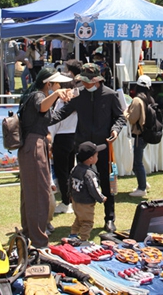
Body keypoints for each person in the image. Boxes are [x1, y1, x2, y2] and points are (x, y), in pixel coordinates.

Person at [49, 63, 126, 233]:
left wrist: (115, 130)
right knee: (81, 184)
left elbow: (120, 117)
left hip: (103, 145)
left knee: (106, 182)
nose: (84, 84)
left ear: (97, 80)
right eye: (83, 80)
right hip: (83, 146)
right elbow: (63, 113)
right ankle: (81, 218)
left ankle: (109, 218)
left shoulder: (110, 95)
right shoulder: (78, 94)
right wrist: (43, 118)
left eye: (87, 81)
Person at [18, 68, 72, 248]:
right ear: (48, 84)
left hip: (32, 145)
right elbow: (42, 106)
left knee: (30, 193)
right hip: (34, 146)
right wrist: (56, 95)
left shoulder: (35, 96)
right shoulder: (38, 96)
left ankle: (29, 234)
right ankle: (39, 240)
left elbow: (51, 117)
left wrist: (70, 104)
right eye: (57, 84)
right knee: (39, 193)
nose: (60, 87)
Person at [49, 72, 78, 214]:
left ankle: (66, 202)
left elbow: (54, 124)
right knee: (70, 170)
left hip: (61, 138)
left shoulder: (61, 101)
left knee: (62, 172)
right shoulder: (75, 100)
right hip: (73, 137)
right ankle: (70, 199)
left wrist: (50, 140)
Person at [69, 141, 108, 241]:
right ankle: (83, 240)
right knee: (87, 222)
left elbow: (70, 183)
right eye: (96, 155)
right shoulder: (89, 174)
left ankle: (73, 235)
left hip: (76, 201)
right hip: (86, 203)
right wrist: (101, 198)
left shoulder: (75, 169)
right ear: (90, 159)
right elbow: (93, 188)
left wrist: (70, 195)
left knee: (79, 219)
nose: (97, 157)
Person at [124, 75, 155, 196]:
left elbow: (132, 119)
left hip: (138, 135)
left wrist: (125, 112)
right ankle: (143, 183)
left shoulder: (137, 100)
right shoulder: (149, 98)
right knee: (137, 161)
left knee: (137, 163)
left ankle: (142, 188)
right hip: (145, 134)